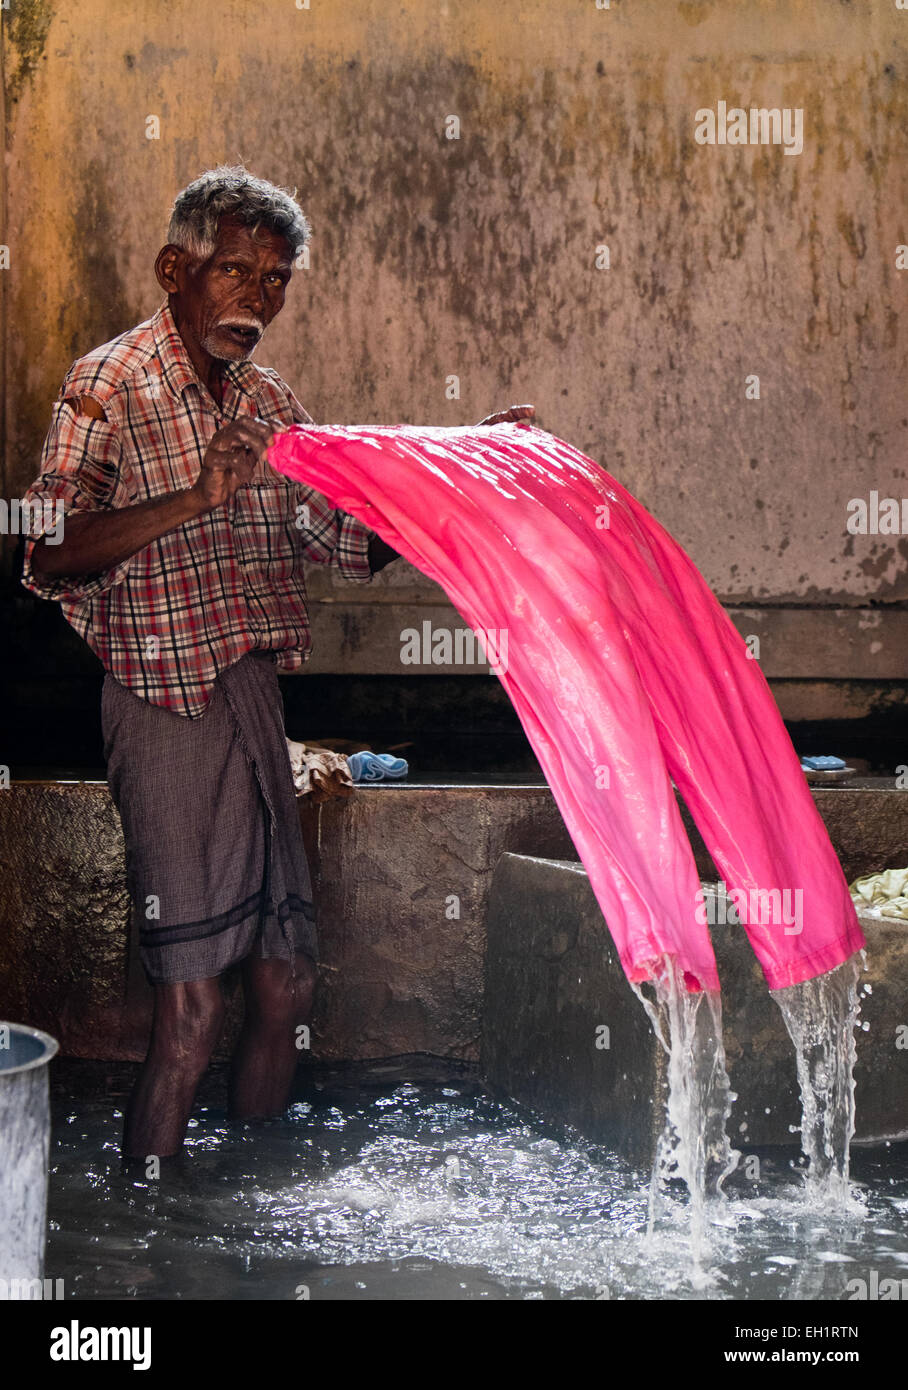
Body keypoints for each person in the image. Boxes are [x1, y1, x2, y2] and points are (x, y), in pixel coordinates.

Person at [21, 165, 531, 1160]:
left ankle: (248, 1215)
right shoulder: (109, 382)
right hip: (163, 705)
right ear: (176, 268)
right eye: (236, 271)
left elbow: (346, 542)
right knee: (195, 1009)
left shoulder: (268, 402)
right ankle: (155, 1228)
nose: (257, 298)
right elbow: (40, 552)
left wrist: (467, 476)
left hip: (253, 700)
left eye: (276, 279)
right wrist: (188, 501)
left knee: (288, 986)